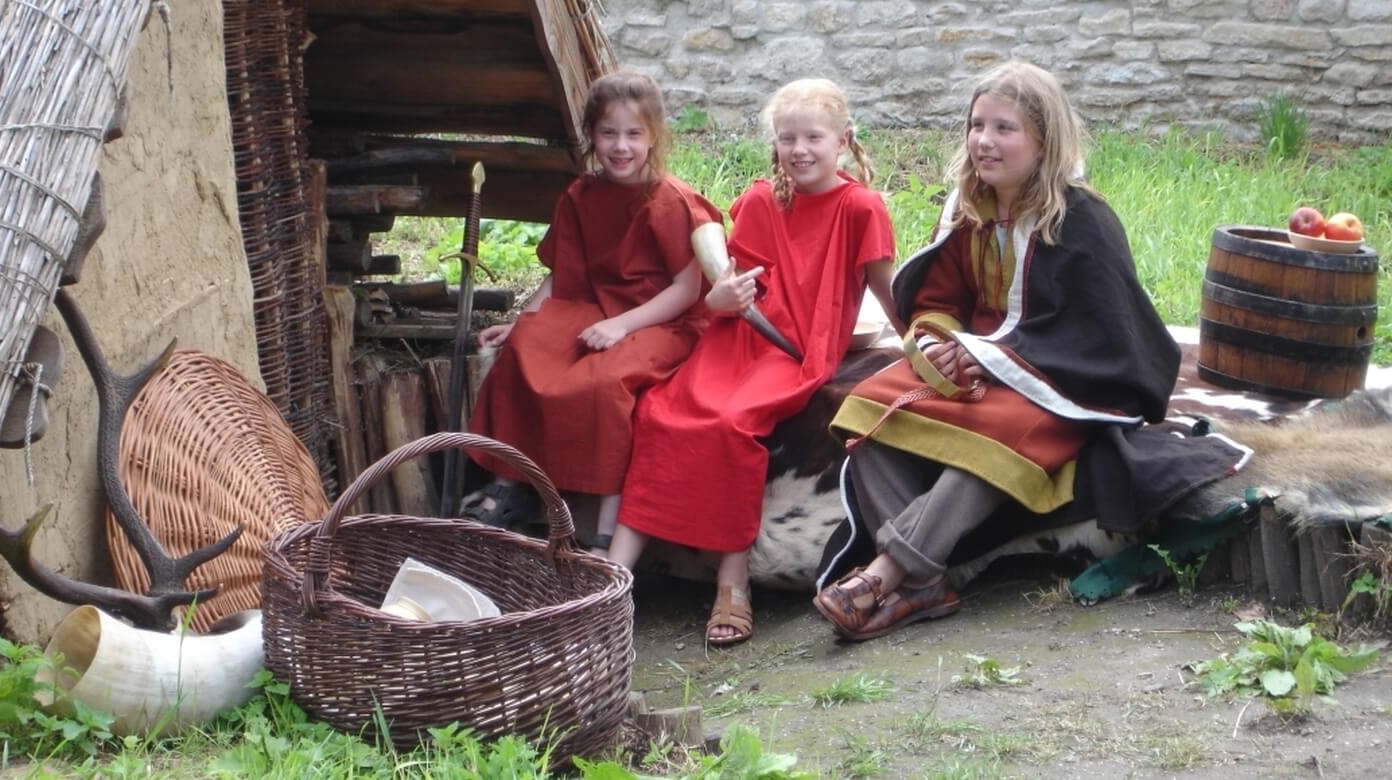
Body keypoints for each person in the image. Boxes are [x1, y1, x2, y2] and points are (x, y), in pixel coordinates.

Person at [814, 61, 1247, 641]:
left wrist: (994, 356)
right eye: (976, 125)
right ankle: (923, 583)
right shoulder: (969, 207)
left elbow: (1099, 332)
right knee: (867, 411)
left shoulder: (1082, 218)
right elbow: (938, 299)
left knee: (993, 445)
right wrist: (941, 345)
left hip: (1058, 379)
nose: (984, 142)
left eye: (1004, 128)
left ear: (1044, 141)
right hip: (981, 369)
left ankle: (892, 571)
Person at [609, 78, 899, 646]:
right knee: (663, 412)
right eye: (788, 138)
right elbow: (730, 286)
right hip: (737, 336)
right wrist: (721, 299)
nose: (800, 150)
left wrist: (917, 341)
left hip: (796, 351)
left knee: (730, 423)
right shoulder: (764, 200)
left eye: (813, 137)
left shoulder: (860, 208)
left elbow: (888, 291)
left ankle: (732, 581)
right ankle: (614, 580)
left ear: (842, 141)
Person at [464, 72, 722, 554]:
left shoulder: (670, 201)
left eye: (633, 134)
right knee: (525, 349)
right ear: (591, 135)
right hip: (592, 307)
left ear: (654, 137)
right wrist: (523, 320)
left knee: (604, 384)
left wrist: (623, 324)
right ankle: (512, 481)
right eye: (609, 134)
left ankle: (607, 522)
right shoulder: (581, 195)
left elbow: (688, 290)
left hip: (661, 319)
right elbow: (559, 275)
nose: (620, 146)